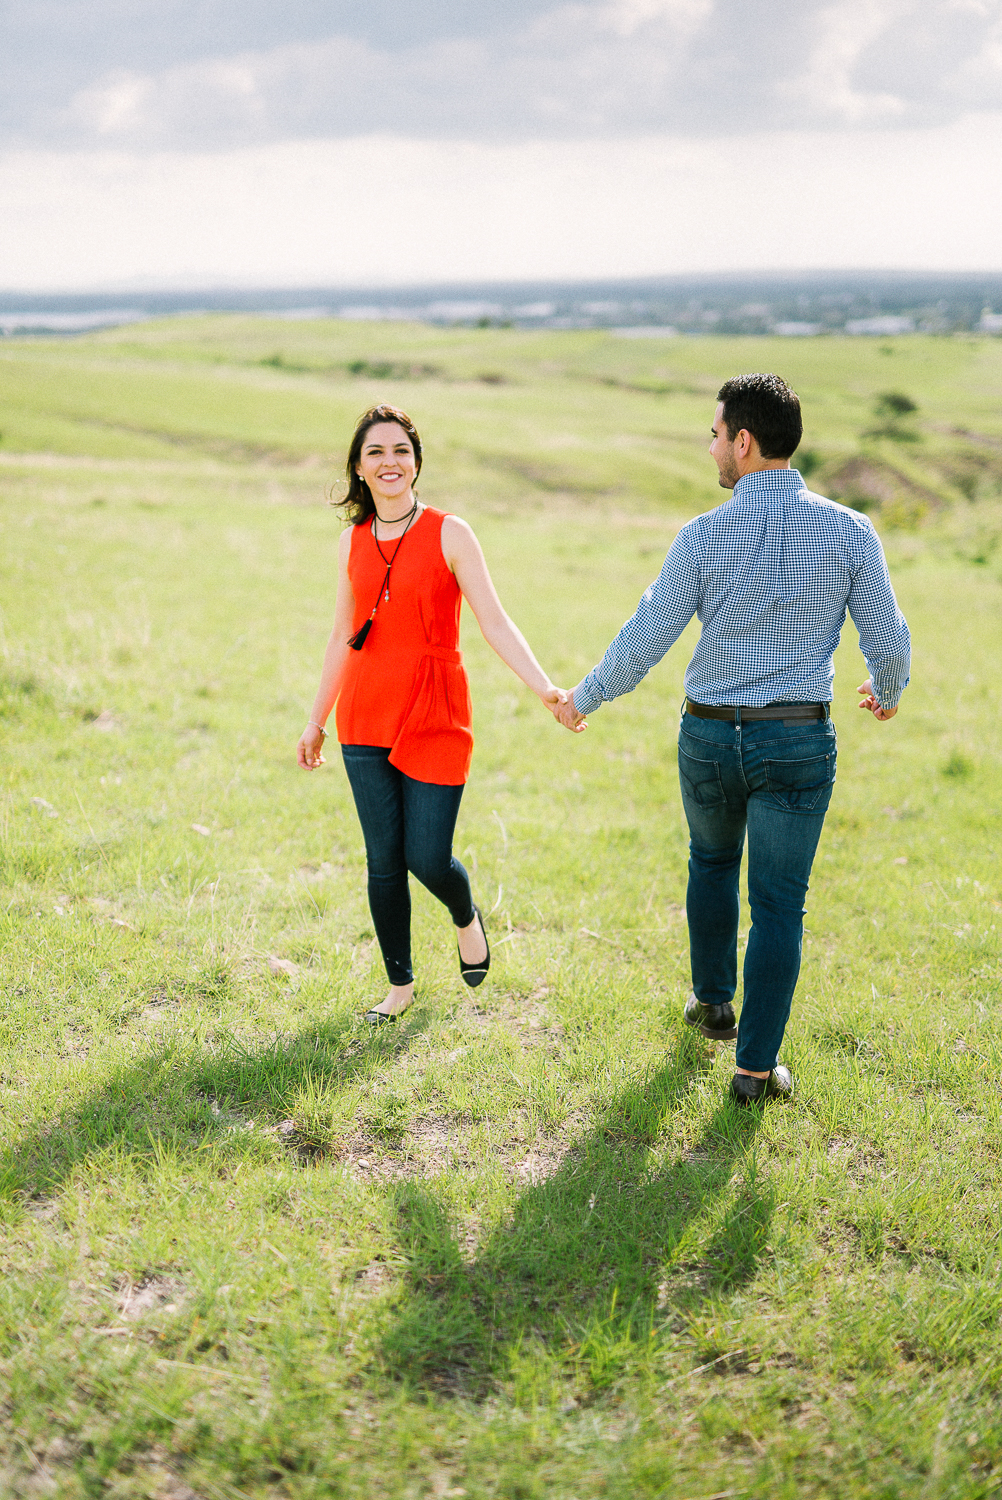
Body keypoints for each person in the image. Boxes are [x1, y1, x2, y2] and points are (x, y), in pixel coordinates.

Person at [555, 372, 910, 1104]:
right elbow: (889, 637)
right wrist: (887, 688)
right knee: (780, 906)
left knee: (711, 861)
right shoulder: (849, 530)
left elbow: (646, 636)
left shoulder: (702, 535)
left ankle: (713, 1003)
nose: (711, 446)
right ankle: (753, 1071)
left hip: (711, 738)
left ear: (743, 443)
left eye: (715, 434)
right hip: (797, 741)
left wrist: (583, 697)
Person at [298, 404, 565, 1023]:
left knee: (426, 855)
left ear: (416, 461)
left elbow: (493, 621)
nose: (389, 462)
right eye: (375, 453)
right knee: (383, 860)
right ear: (359, 469)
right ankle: (399, 988)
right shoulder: (351, 542)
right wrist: (316, 719)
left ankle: (465, 913)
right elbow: (343, 634)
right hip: (364, 715)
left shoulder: (451, 533)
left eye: (400, 451)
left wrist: (545, 688)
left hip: (436, 711)